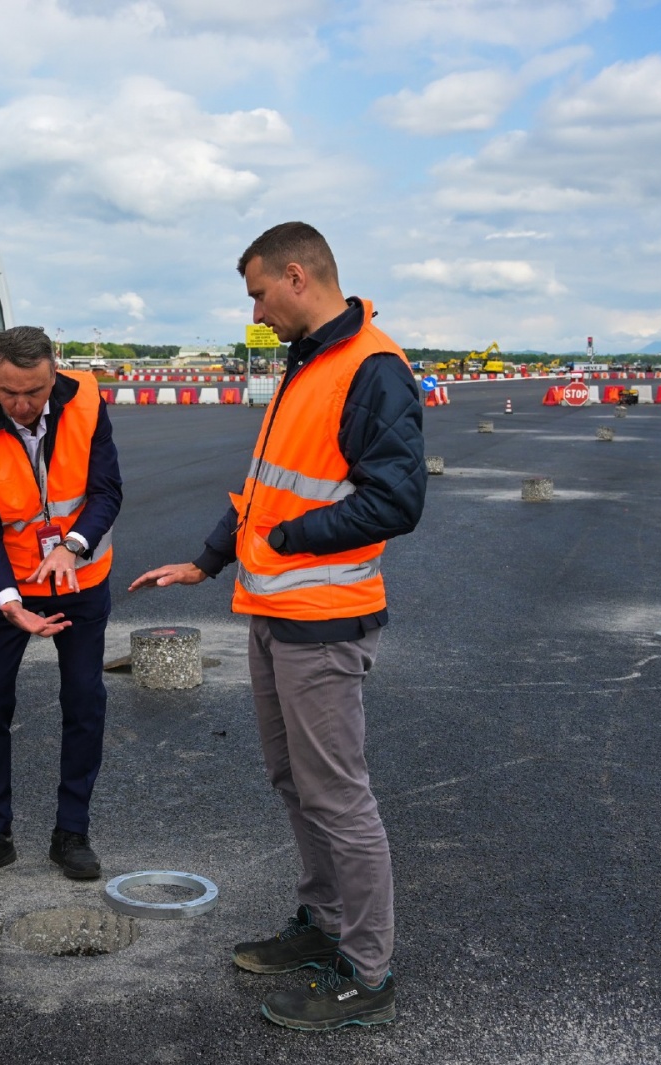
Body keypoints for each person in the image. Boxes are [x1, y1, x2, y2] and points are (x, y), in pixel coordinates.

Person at [130, 222, 425, 1031]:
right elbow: (266, 485)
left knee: (338, 795)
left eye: (259, 293)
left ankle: (367, 970)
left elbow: (397, 499)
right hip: (274, 610)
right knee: (296, 784)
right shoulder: (308, 363)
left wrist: (290, 539)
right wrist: (209, 558)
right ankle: (322, 924)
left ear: (297, 276)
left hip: (323, 620)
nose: (255, 312)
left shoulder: (372, 368)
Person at [0, 325, 123, 881]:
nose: (21, 405)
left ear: (54, 373)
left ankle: (72, 832)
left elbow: (106, 492)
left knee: (84, 700)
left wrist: (73, 546)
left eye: (35, 392)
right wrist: (8, 599)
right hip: (7, 587)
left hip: (80, 581)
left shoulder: (88, 401)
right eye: (7, 392)